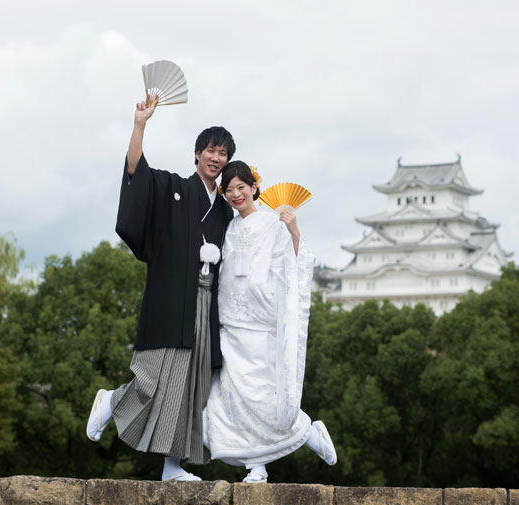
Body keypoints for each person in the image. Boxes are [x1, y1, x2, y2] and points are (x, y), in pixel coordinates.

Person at [86, 95, 235, 481]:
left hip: (206, 305)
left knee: (192, 387)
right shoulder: (173, 187)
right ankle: (112, 401)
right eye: (210, 150)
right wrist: (140, 124)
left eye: (222, 153)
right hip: (172, 299)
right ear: (197, 154)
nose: (215, 158)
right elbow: (136, 171)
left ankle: (172, 466)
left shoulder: (224, 210)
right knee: (154, 379)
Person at [203, 161, 337, 483]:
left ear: (254, 188)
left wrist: (294, 232)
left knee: (262, 398)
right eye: (229, 190)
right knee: (231, 401)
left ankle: (305, 433)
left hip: (261, 325)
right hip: (230, 324)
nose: (236, 194)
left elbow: (294, 264)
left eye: (241, 187)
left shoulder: (272, 222)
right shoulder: (228, 228)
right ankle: (257, 465)